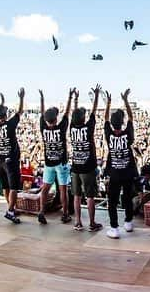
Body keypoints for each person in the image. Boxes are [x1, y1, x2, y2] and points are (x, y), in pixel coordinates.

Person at [103, 89, 138, 239]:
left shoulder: (109, 135)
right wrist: (125, 100)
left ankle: (114, 228)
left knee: (112, 200)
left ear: (112, 123)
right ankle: (128, 223)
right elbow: (131, 117)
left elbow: (105, 119)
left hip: (115, 173)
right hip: (128, 172)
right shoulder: (128, 134)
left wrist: (108, 103)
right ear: (122, 122)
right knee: (128, 197)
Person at [37, 88, 74, 225]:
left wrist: (41, 98)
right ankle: (65, 214)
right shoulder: (61, 128)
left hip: (48, 163)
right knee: (62, 189)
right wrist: (70, 98)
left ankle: (41, 211)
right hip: (61, 163)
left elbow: (42, 113)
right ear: (55, 119)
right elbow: (67, 113)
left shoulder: (43, 128)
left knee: (45, 188)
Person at [70, 84, 103, 232]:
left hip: (75, 167)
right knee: (90, 196)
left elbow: (74, 113)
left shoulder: (71, 128)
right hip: (88, 168)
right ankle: (91, 223)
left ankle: (77, 222)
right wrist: (96, 96)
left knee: (76, 196)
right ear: (84, 118)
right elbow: (94, 112)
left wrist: (75, 98)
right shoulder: (88, 127)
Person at [0, 88, 25, 224]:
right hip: (10, 160)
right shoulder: (10, 124)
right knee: (13, 188)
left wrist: (2, 102)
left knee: (5, 186)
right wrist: (21, 98)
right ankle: (11, 211)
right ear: (5, 115)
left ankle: (10, 208)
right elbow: (20, 112)